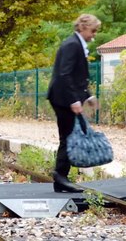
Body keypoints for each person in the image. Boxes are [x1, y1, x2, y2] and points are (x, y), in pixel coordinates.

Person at [47, 14, 100, 193]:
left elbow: (77, 77)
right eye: (93, 30)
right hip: (62, 98)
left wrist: (88, 97)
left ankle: (61, 177)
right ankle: (60, 177)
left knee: (69, 136)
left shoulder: (76, 44)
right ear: (83, 28)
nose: (94, 35)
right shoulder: (72, 45)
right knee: (68, 137)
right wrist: (73, 100)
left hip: (64, 97)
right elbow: (65, 74)